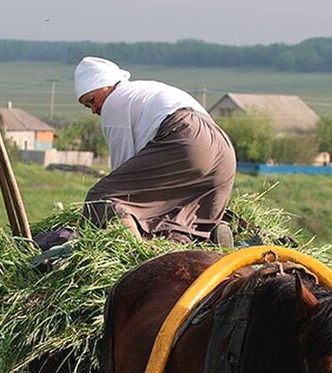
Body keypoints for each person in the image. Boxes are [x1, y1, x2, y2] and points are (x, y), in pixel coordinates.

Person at [74, 56, 236, 244]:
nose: (94, 109)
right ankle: (211, 234)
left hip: (186, 140)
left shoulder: (115, 101)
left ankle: (134, 253)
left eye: (91, 100)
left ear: (105, 86)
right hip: (223, 151)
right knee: (178, 209)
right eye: (88, 106)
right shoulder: (145, 90)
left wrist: (88, 224)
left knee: (101, 197)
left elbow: (123, 168)